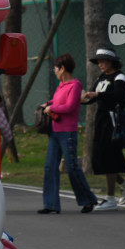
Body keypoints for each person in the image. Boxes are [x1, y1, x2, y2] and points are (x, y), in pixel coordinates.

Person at [39, 53, 98, 214]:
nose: (55, 71)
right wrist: (48, 103)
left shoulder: (75, 85)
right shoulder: (61, 85)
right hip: (55, 132)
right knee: (49, 167)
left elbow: (70, 106)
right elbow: (57, 101)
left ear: (62, 68)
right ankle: (50, 204)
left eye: (56, 68)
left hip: (67, 132)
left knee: (72, 168)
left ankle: (88, 199)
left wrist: (52, 108)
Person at [82, 47, 125, 211]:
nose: (100, 64)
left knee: (109, 156)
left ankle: (111, 198)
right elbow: (94, 97)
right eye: (98, 61)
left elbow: (119, 96)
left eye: (103, 60)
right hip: (101, 120)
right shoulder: (101, 77)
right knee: (101, 155)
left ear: (112, 62)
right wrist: (83, 99)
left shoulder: (119, 77)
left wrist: (98, 96)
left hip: (113, 122)